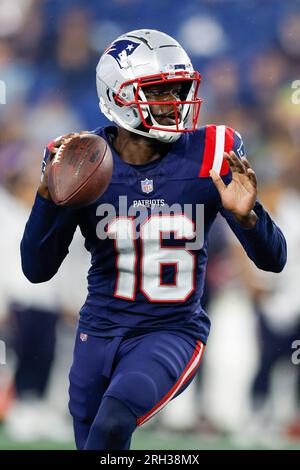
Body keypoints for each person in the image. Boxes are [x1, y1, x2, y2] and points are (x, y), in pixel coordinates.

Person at [20, 29, 287, 450]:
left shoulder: (213, 153)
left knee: (112, 424)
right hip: (98, 331)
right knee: (95, 443)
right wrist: (47, 202)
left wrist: (248, 217)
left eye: (178, 90)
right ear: (118, 95)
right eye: (160, 92)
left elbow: (275, 260)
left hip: (171, 331)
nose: (174, 103)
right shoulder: (80, 161)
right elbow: (36, 269)